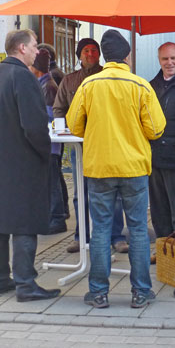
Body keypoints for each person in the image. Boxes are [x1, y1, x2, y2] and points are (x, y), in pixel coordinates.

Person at [66, 29, 166, 309]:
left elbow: (73, 126)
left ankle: (98, 292)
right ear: (126, 56)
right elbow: (156, 129)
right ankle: (141, 292)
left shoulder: (89, 85)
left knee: (100, 230)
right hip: (134, 168)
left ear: (104, 56)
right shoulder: (140, 86)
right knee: (136, 229)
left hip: (99, 167)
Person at [0, 29, 61, 302]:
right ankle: (25, 283)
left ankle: (0, 278)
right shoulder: (22, 76)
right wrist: (45, 152)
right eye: (35, 46)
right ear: (22, 48)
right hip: (21, 162)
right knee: (24, 222)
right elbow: (34, 125)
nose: (38, 51)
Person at [54, 38, 129, 254]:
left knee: (112, 191)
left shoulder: (108, 77)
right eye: (86, 50)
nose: (90, 54)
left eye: (94, 50)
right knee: (81, 192)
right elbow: (59, 109)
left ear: (100, 55)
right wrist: (67, 128)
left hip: (106, 144)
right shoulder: (69, 81)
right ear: (79, 55)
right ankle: (82, 236)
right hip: (79, 145)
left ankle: (116, 236)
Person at [148, 42, 175, 251]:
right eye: (165, 59)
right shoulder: (151, 86)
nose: (170, 63)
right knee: (159, 211)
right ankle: (164, 252)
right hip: (154, 157)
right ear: (159, 60)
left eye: (173, 58)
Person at [29, 48, 67, 234]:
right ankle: (53, 216)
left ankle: (57, 218)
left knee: (52, 182)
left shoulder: (48, 86)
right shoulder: (42, 84)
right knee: (51, 181)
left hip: (51, 144)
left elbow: (51, 118)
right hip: (48, 143)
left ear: (36, 67)